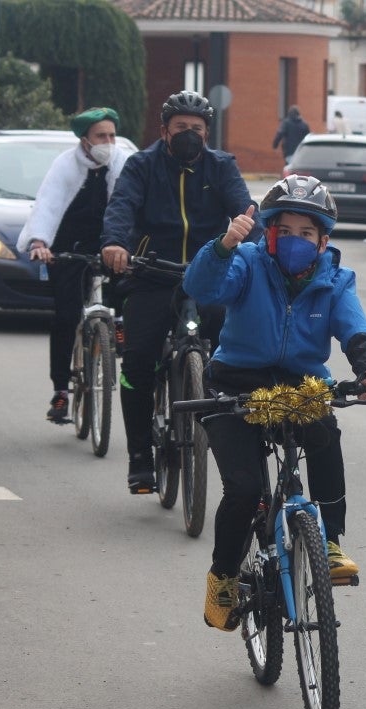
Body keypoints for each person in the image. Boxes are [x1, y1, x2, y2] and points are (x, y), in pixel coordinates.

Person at [183, 174, 366, 631]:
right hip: (235, 383)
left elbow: (356, 327)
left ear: (323, 241)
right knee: (243, 488)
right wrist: (222, 246)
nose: (297, 241)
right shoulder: (246, 262)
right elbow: (202, 288)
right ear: (269, 233)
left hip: (300, 383)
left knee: (324, 438)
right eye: (287, 231)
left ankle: (330, 542)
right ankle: (223, 575)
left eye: (308, 233)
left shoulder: (334, 278)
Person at [101, 89, 261, 494]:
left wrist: (261, 249)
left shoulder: (222, 167)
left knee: (237, 362)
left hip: (208, 276)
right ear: (164, 131)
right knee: (137, 362)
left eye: (197, 129)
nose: (189, 134)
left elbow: (245, 213)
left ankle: (240, 455)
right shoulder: (141, 166)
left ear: (207, 133)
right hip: (153, 274)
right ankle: (140, 457)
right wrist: (116, 243)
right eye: (180, 128)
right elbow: (121, 206)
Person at [17, 106, 131, 423]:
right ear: (84, 140)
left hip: (110, 241)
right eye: (100, 136)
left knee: (130, 274)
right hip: (66, 247)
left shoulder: (123, 162)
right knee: (66, 315)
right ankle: (61, 391)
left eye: (112, 135)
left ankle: (119, 323)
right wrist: (40, 243)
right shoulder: (65, 165)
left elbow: (133, 205)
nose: (108, 142)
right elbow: (48, 204)